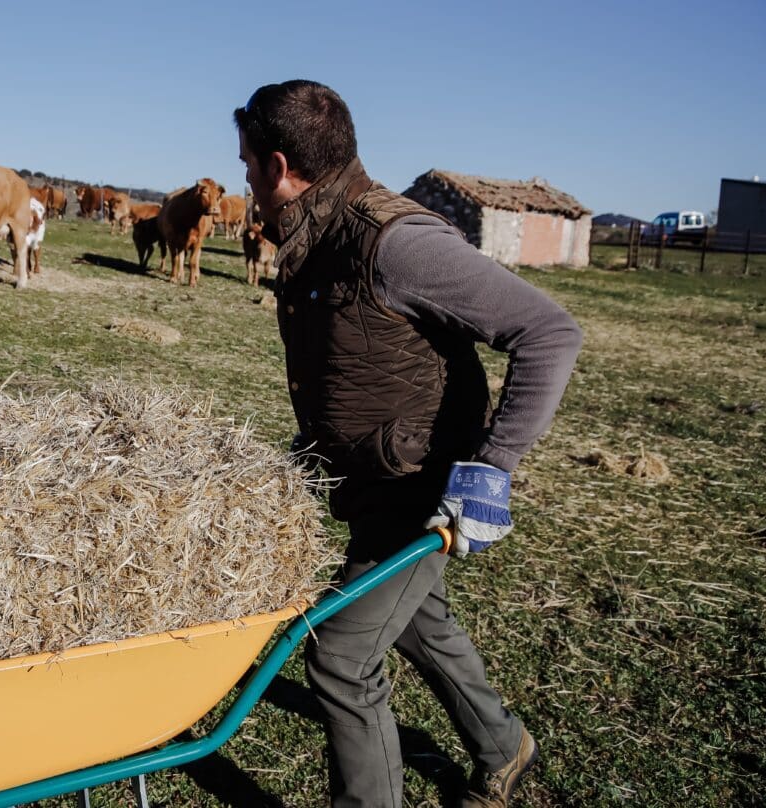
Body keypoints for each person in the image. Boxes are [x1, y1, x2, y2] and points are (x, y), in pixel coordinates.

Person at [233, 80, 582, 808]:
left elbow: (549, 332)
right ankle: (502, 743)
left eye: (245, 166)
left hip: (418, 486)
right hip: (372, 475)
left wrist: (493, 468)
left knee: (341, 656)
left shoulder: (394, 242)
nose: (244, 182)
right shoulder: (318, 234)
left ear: (276, 165)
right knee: (419, 620)